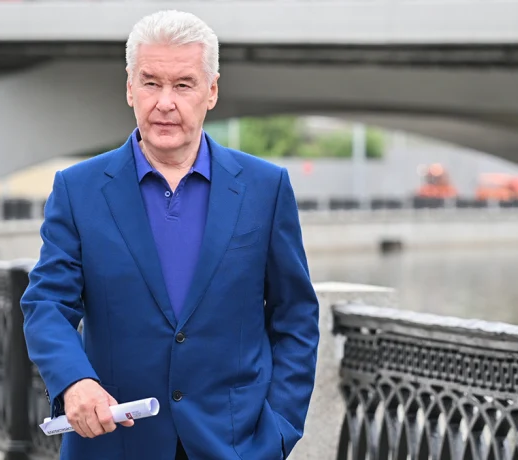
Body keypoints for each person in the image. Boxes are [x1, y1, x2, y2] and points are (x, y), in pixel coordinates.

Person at [20, 9, 320, 460]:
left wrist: (279, 431)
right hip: (114, 444)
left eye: (183, 85)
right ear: (129, 87)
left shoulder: (266, 188)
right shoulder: (78, 189)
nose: (165, 102)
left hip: (235, 446)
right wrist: (74, 381)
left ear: (211, 91)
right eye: (151, 83)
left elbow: (295, 316)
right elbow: (46, 304)